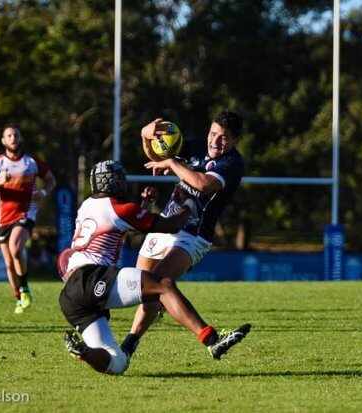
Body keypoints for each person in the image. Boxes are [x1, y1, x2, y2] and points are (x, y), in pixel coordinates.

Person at [58, 160, 251, 376]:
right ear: (115, 183)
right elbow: (172, 225)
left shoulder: (87, 205)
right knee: (164, 285)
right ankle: (211, 339)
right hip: (92, 277)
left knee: (117, 363)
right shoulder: (120, 208)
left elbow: (127, 225)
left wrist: (146, 206)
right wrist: (187, 204)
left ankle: (84, 352)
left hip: (70, 297)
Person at [120, 110, 245, 357]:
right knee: (147, 290)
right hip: (166, 225)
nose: (215, 141)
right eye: (213, 133)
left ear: (234, 141)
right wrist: (145, 137)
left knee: (160, 282)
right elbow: (159, 154)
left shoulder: (232, 164)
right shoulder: (198, 145)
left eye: (224, 138)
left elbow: (203, 184)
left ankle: (208, 338)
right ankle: (128, 346)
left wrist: (172, 163)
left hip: (193, 235)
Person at [0, 123, 56, 314]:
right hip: (2, 217)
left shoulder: (32, 162)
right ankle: (20, 297)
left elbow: (51, 180)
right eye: (9, 136)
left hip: (26, 212)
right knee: (9, 264)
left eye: (16, 135)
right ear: (3, 140)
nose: (13, 138)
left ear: (21, 139)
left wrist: (43, 192)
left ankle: (26, 288)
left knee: (15, 248)